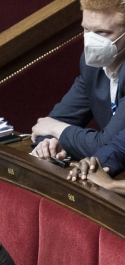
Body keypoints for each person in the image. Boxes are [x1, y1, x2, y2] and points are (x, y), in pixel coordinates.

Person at [31, 0, 125, 177]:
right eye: (87, 30)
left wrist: (56, 130)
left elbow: (107, 143)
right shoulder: (92, 64)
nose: (91, 41)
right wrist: (48, 144)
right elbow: (54, 121)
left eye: (102, 32)